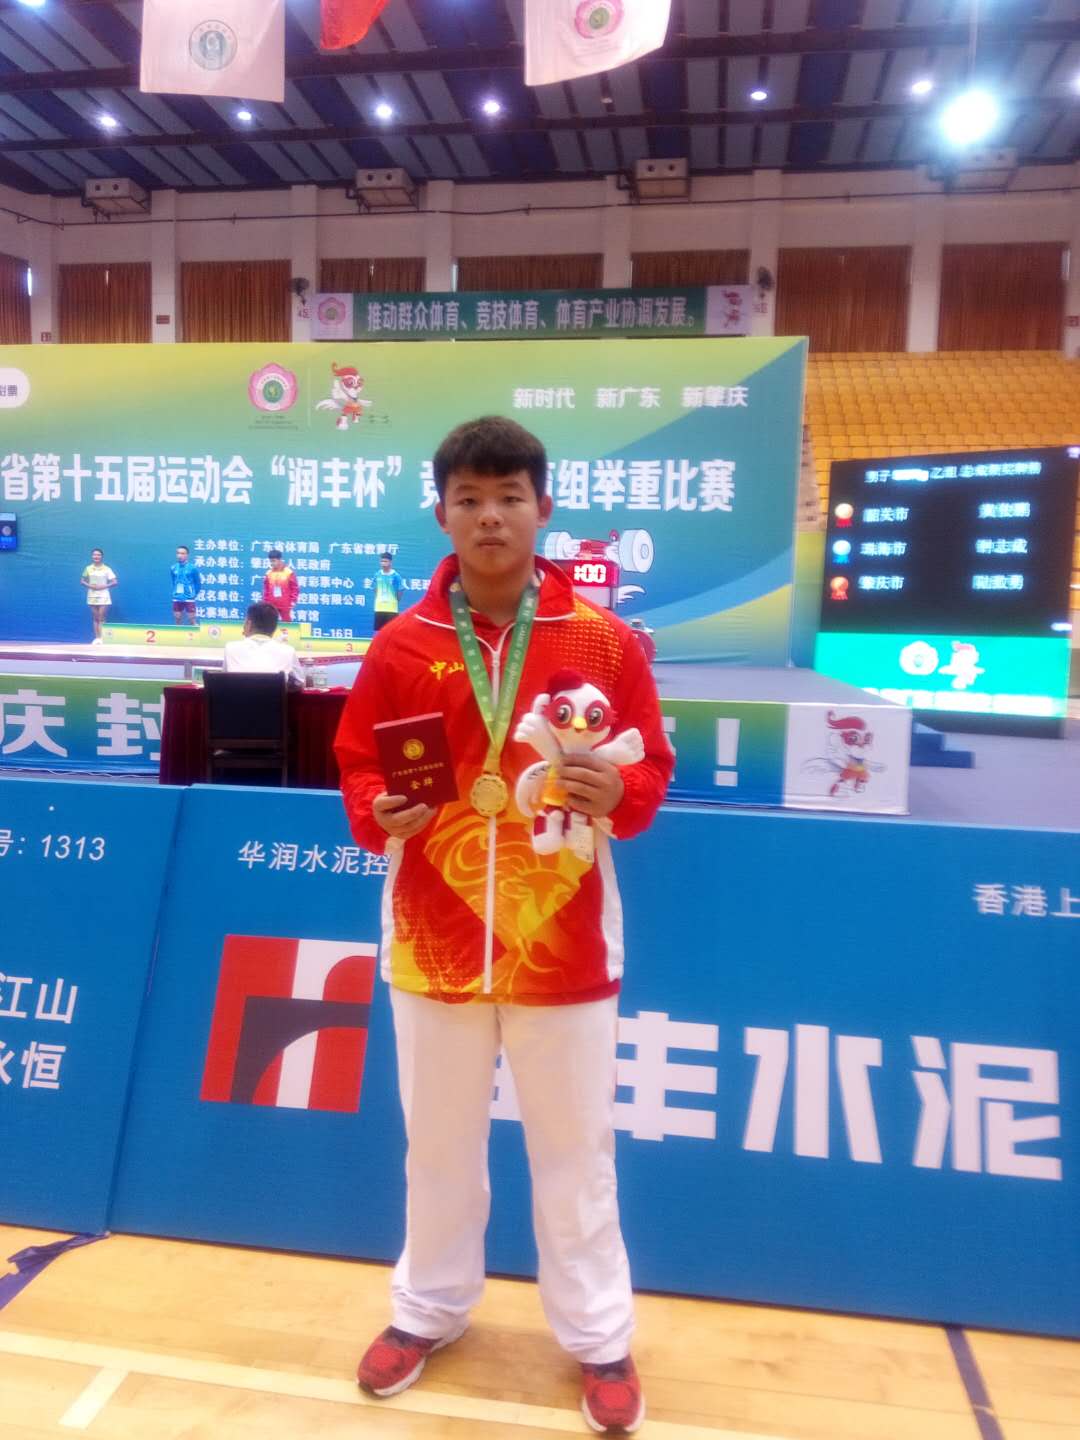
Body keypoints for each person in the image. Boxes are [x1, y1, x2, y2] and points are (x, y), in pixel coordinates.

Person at [335, 417, 673, 1436]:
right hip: (434, 932)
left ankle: (600, 1335)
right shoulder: (401, 644)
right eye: (470, 499)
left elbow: (651, 769)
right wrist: (377, 811)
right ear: (441, 513)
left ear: (543, 508)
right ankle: (428, 1308)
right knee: (437, 1145)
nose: (490, 516)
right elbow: (358, 762)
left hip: (563, 936)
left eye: (509, 497)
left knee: (576, 1150)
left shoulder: (605, 641)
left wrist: (619, 789)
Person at [223, 602, 305, 688]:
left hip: (237, 697)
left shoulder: (230, 648)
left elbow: (223, 681)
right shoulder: (288, 651)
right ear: (274, 628)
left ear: (248, 624)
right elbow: (299, 683)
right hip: (273, 697)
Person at [80, 546, 116, 643]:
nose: (96, 556)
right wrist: (90, 586)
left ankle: (103, 639)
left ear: (102, 556)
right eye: (94, 555)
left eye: (98, 555)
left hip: (104, 595)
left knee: (102, 617)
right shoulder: (88, 568)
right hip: (92, 595)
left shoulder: (107, 569)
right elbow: (82, 581)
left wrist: (104, 586)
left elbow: (114, 582)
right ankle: (97, 638)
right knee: (95, 618)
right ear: (92, 556)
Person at [262, 549, 298, 623]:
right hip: (271, 604)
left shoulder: (289, 572)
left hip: (285, 603)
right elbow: (266, 589)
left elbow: (295, 588)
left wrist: (293, 601)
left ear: (279, 560)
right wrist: (265, 602)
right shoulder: (268, 573)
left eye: (274, 561)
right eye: (270, 561)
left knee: (286, 623)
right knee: (270, 623)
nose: (272, 563)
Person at [372, 550, 404, 632]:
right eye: (382, 561)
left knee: (391, 631)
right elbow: (375, 589)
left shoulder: (396, 576)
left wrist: (394, 601)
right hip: (379, 608)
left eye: (385, 561)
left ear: (390, 562)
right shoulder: (377, 575)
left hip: (391, 609)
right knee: (379, 632)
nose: (383, 563)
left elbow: (400, 591)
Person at [170, 545, 202, 626]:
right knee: (177, 620)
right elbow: (174, 582)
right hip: (177, 598)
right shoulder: (173, 568)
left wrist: (193, 594)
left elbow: (198, 583)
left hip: (189, 598)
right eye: (178, 553)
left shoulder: (193, 568)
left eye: (182, 553)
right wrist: (176, 592)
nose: (180, 555)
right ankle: (178, 634)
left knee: (192, 620)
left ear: (187, 555)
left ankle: (196, 633)